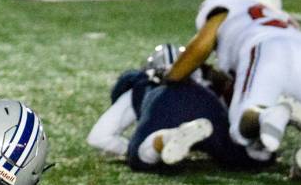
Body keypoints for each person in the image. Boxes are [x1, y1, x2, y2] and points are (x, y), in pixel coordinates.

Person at [164, 0, 301, 173]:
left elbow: (200, 46)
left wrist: (171, 76)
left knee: (241, 128)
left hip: (266, 48)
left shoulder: (231, 7)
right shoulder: (286, 20)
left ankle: (266, 114)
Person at [87, 44, 270, 172]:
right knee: (242, 158)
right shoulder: (208, 81)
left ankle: (163, 139)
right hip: (203, 98)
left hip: (162, 100)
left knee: (140, 156)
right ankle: (271, 135)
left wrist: (129, 149)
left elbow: (98, 138)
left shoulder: (143, 83)